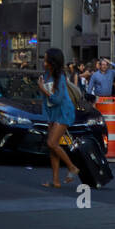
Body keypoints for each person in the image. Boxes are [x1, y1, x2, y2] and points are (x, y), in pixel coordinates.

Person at [38, 47, 81, 188]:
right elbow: (46, 101)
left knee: (52, 143)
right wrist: (48, 117)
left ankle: (72, 167)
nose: (43, 61)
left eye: (46, 59)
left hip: (64, 112)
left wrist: (43, 89)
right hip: (53, 113)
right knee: (52, 147)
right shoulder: (46, 75)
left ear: (52, 61)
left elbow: (58, 99)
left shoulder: (60, 77)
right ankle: (55, 181)